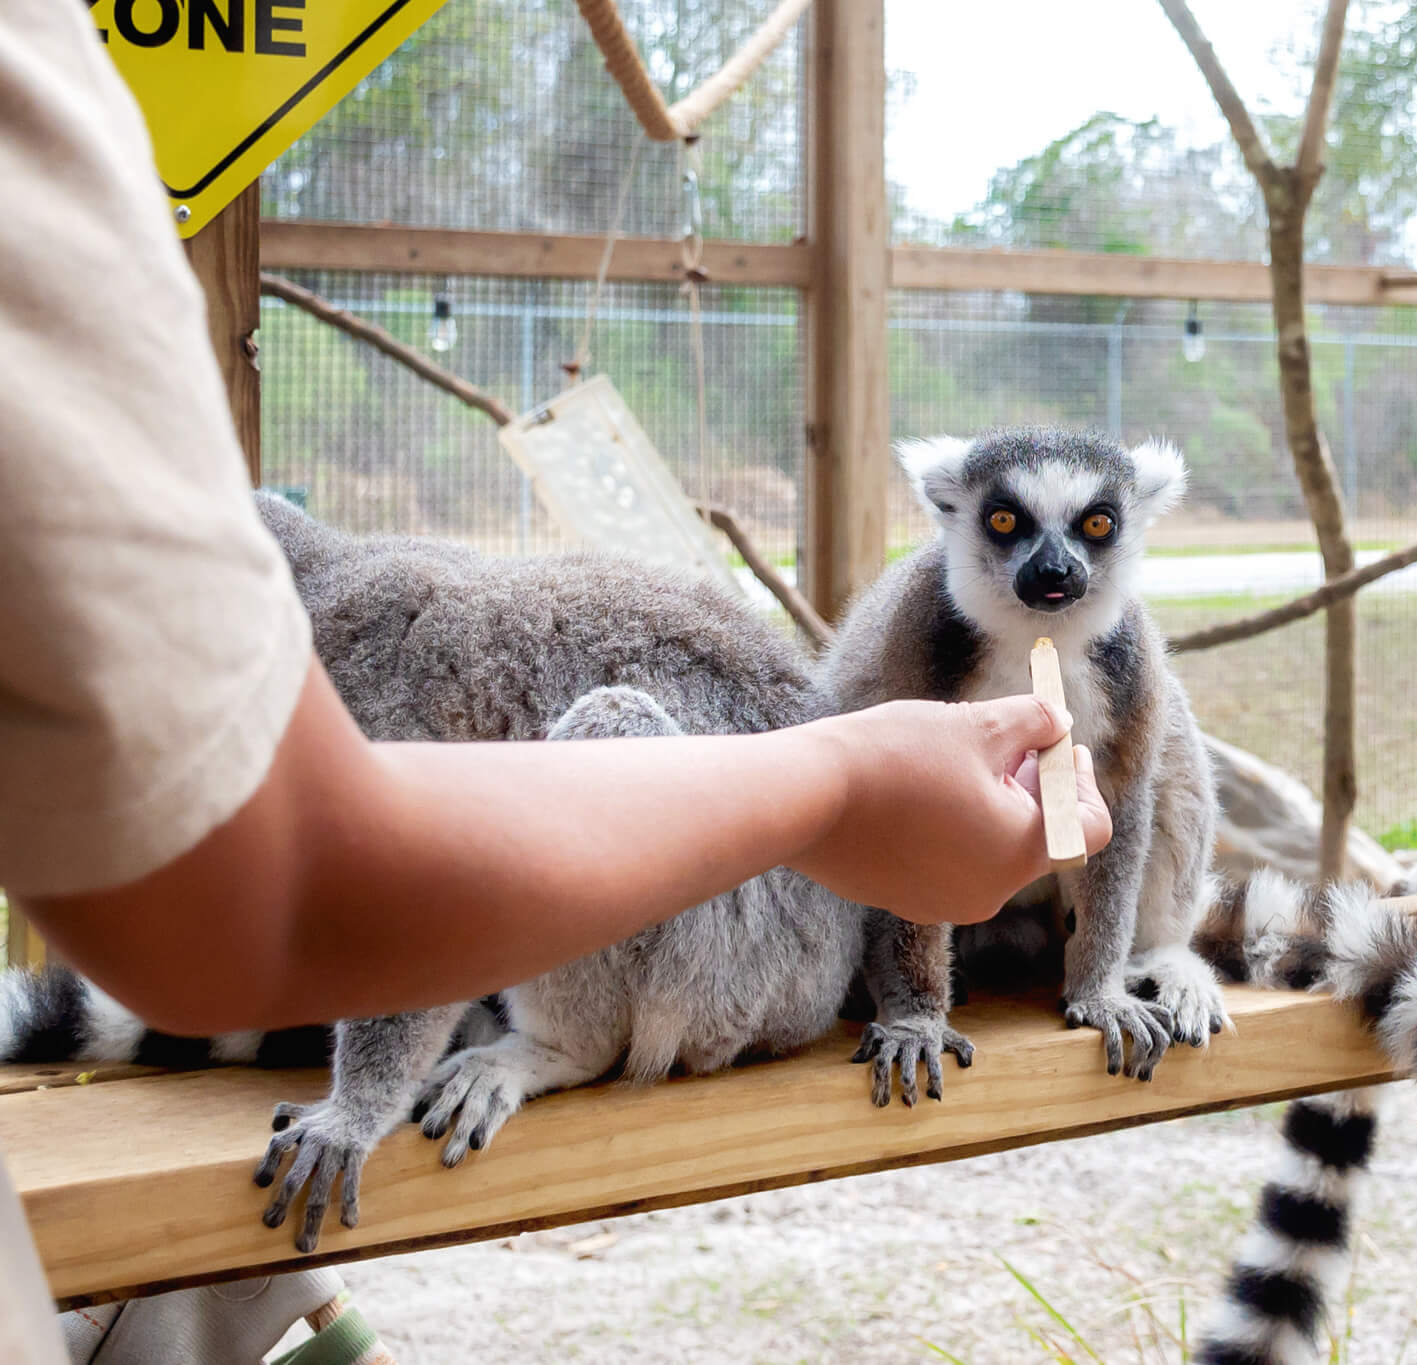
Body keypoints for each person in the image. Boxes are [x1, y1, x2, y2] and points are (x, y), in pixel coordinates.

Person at [0, 6, 1112, 1361]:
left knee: (608, 737)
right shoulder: (375, 608)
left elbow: (320, 883)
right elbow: (298, 890)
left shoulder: (374, 631)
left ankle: (555, 1044)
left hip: (731, 960)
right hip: (741, 931)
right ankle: (539, 1036)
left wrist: (364, 1102)